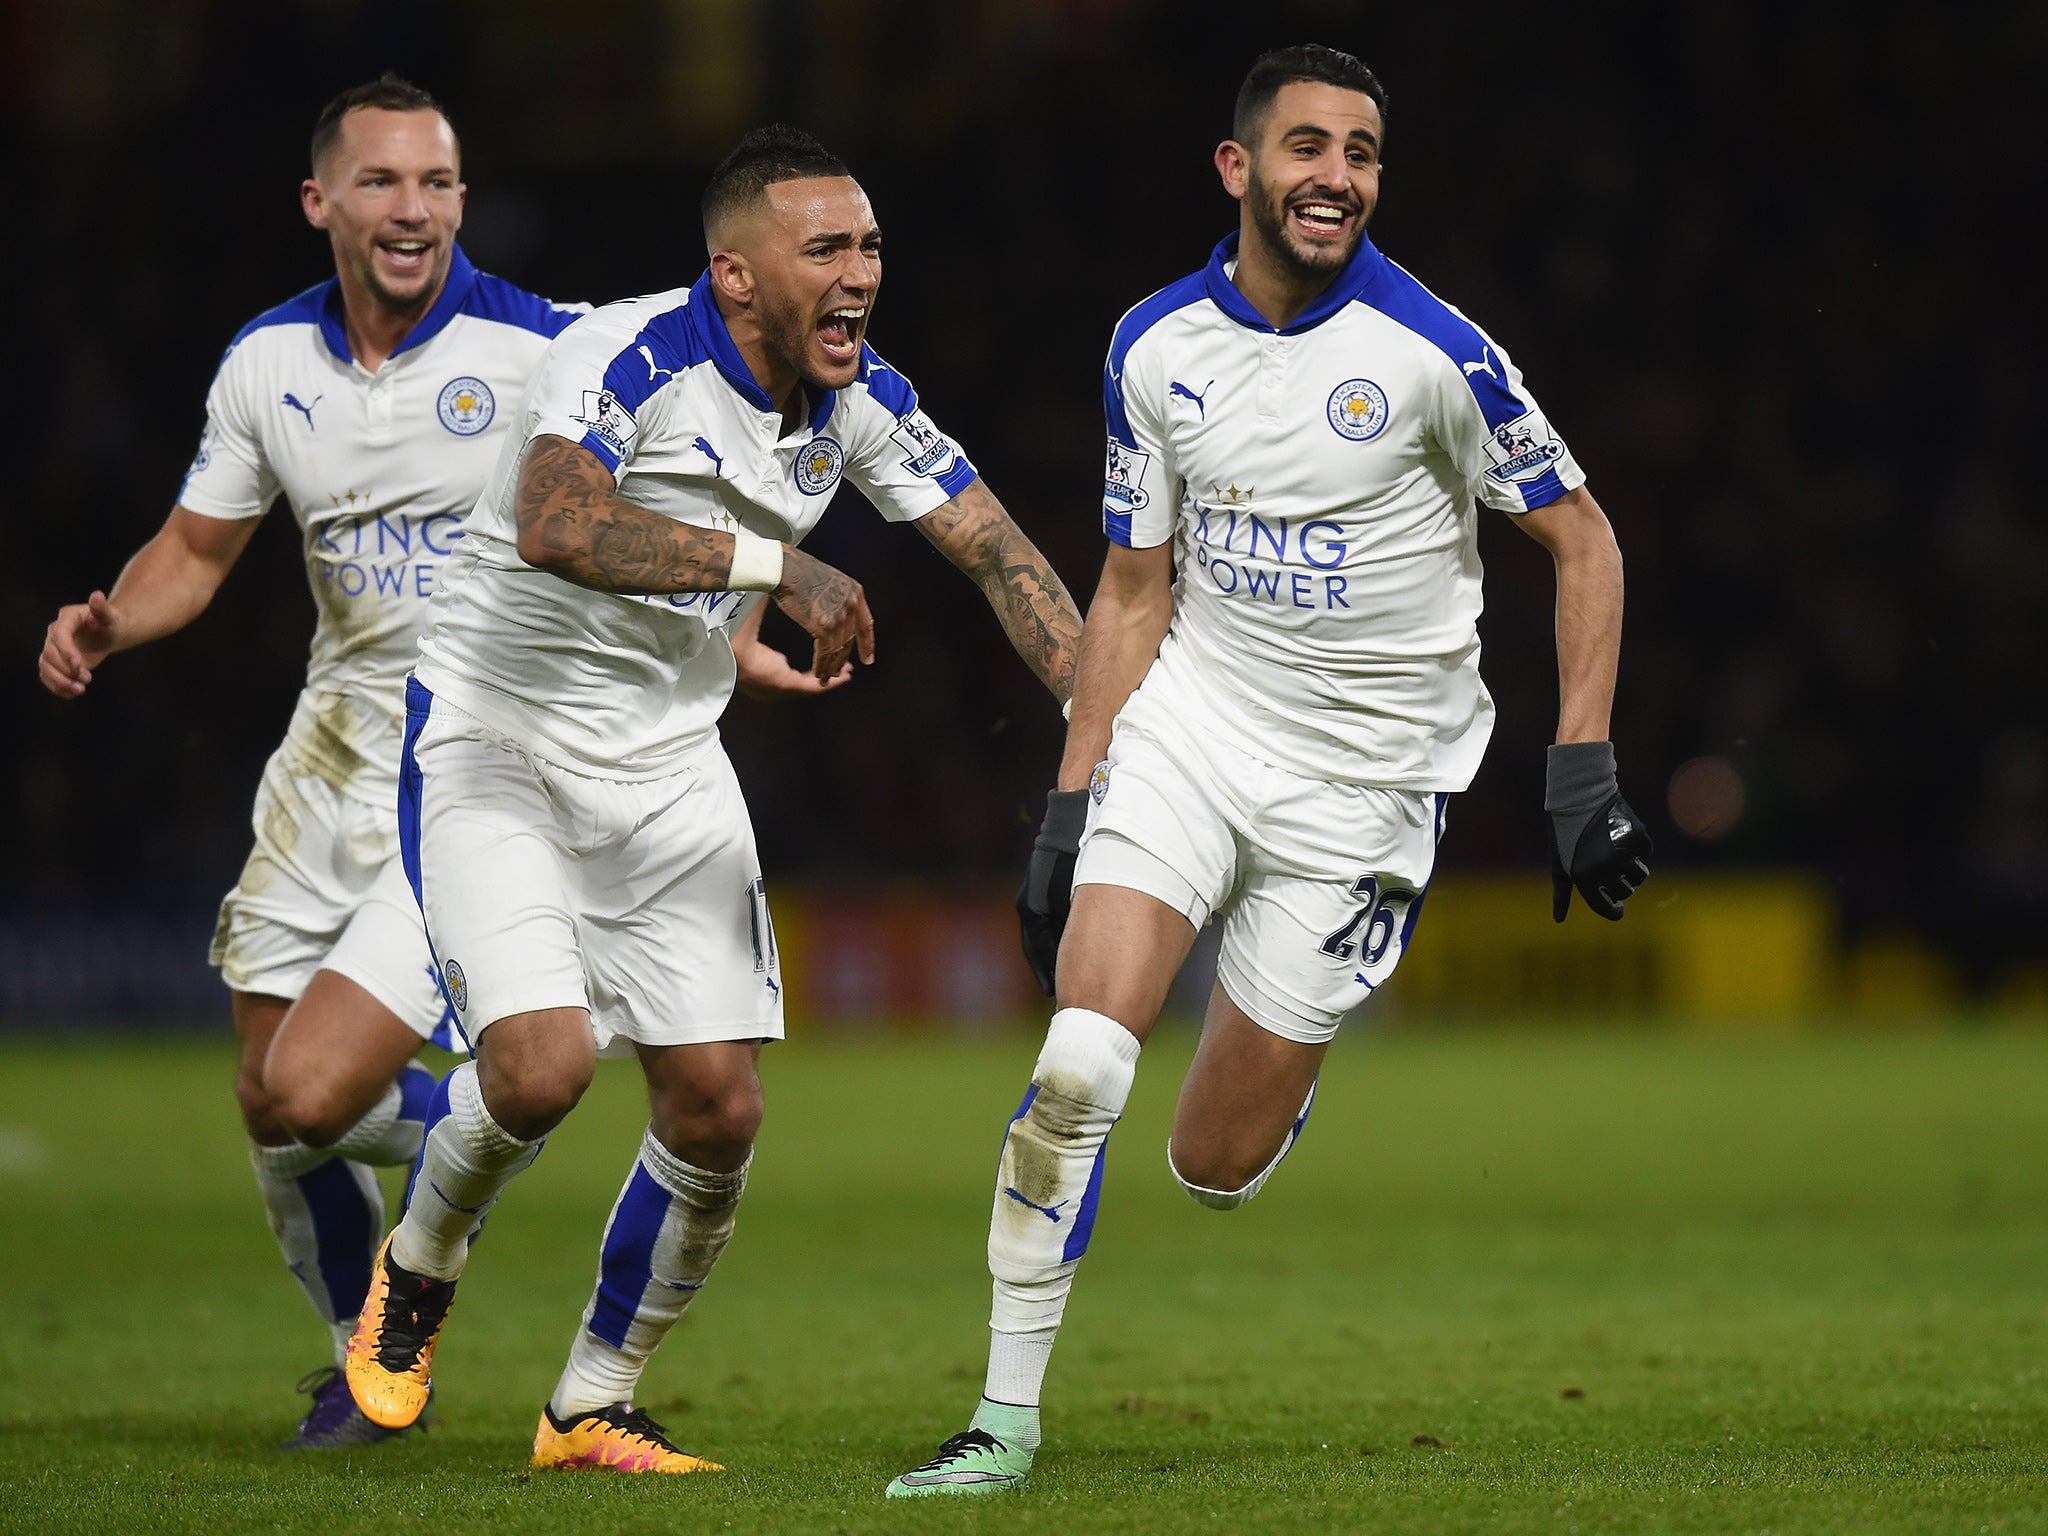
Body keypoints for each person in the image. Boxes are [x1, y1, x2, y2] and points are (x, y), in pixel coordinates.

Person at [885, 44, 1654, 1497]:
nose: (1340, 178)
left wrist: (1580, 768)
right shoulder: (1153, 346)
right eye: (1310, 147)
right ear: (1238, 168)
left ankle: (1273, 1080)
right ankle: (1000, 1423)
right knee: (1076, 1061)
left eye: (1363, 154)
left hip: (1366, 786)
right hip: (1196, 732)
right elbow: (1128, 589)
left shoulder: (1437, 354)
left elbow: (1586, 540)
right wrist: (1070, 800)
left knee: (1209, 1163)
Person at [341, 124, 1083, 1476]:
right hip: (498, 741)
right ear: (735, 277)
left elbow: (996, 553)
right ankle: (423, 1262)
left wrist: (1118, 732)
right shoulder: (627, 362)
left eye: (868, 245)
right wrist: (774, 567)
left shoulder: (858, 397)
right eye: (826, 250)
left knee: (718, 1112)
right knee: (540, 1068)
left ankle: (589, 1404)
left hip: (671, 760)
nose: (860, 273)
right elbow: (554, 523)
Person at [39, 76, 603, 1450]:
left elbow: (659, 492)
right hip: (331, 750)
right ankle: (367, 1354)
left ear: (461, 200)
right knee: (268, 1093)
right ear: (323, 203)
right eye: (383, 182)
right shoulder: (265, 366)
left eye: (437, 183)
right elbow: (195, 550)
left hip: (475, 754)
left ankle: (471, 1163)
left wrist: (744, 611)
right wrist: (112, 620)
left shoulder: (543, 350)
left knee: (316, 1087)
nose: (414, 209)